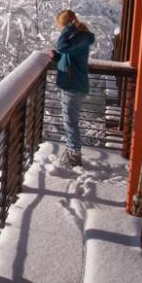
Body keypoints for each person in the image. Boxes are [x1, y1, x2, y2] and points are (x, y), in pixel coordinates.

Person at [48, 9, 95, 168]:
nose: (59, 29)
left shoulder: (80, 37)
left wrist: (68, 28)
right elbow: (67, 56)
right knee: (69, 121)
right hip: (70, 84)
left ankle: (74, 155)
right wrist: (56, 58)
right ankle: (72, 151)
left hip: (73, 86)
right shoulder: (77, 38)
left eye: (61, 26)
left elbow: (62, 47)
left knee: (70, 122)